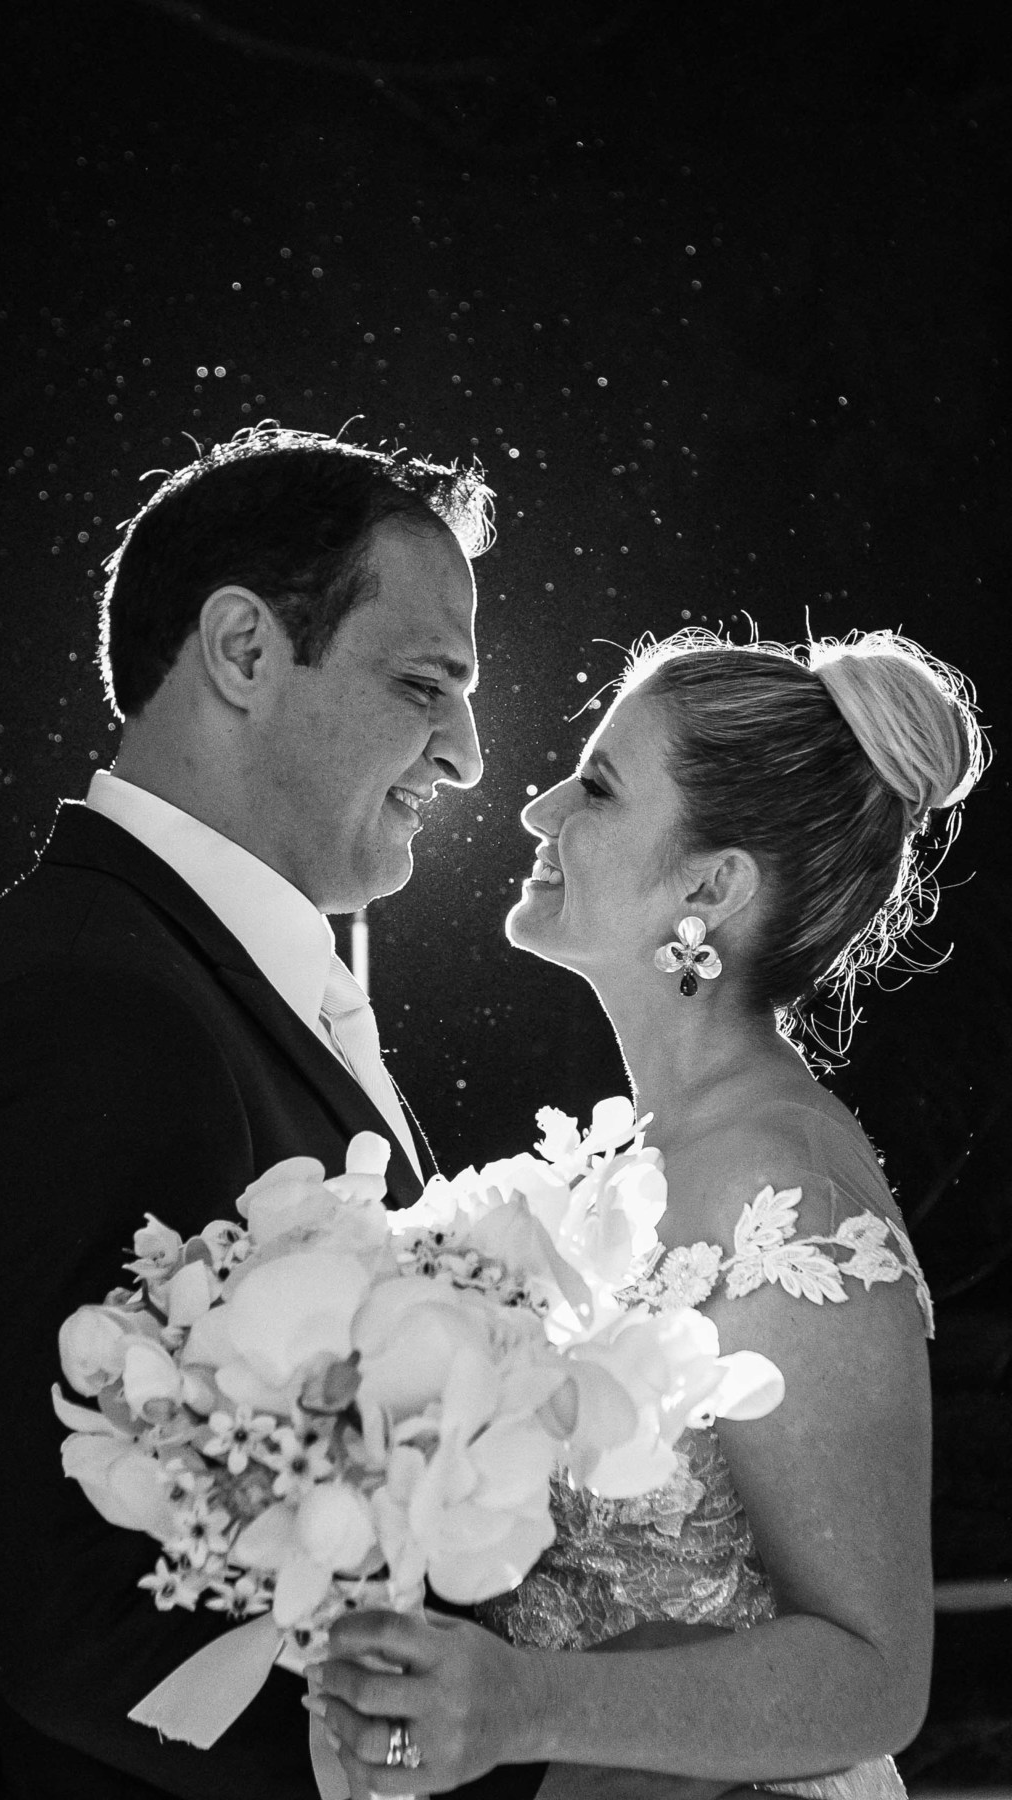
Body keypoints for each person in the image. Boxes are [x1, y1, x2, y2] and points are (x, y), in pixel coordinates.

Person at [0, 424, 544, 1799]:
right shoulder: (79, 1018)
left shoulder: (179, 979)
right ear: (242, 652)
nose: (466, 756)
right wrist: (499, 1770)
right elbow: (91, 1633)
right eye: (424, 684)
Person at [312, 627, 986, 1800]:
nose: (540, 811)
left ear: (711, 887)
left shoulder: (789, 1205)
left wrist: (522, 1706)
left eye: (600, 787)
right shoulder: (635, 1160)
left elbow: (874, 1677)